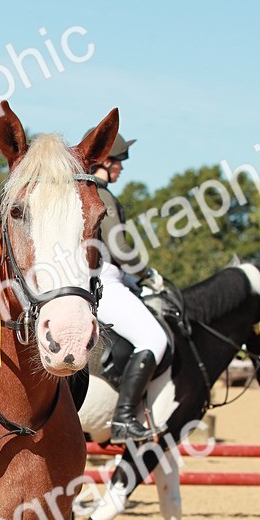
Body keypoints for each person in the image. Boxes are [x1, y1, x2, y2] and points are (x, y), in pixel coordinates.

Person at [87, 129, 167, 443]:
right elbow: (119, 249)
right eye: (119, 160)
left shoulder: (91, 191)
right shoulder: (102, 194)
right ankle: (123, 419)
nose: (122, 167)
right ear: (104, 160)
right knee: (155, 338)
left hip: (108, 275)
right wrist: (146, 273)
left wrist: (133, 278)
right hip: (103, 280)